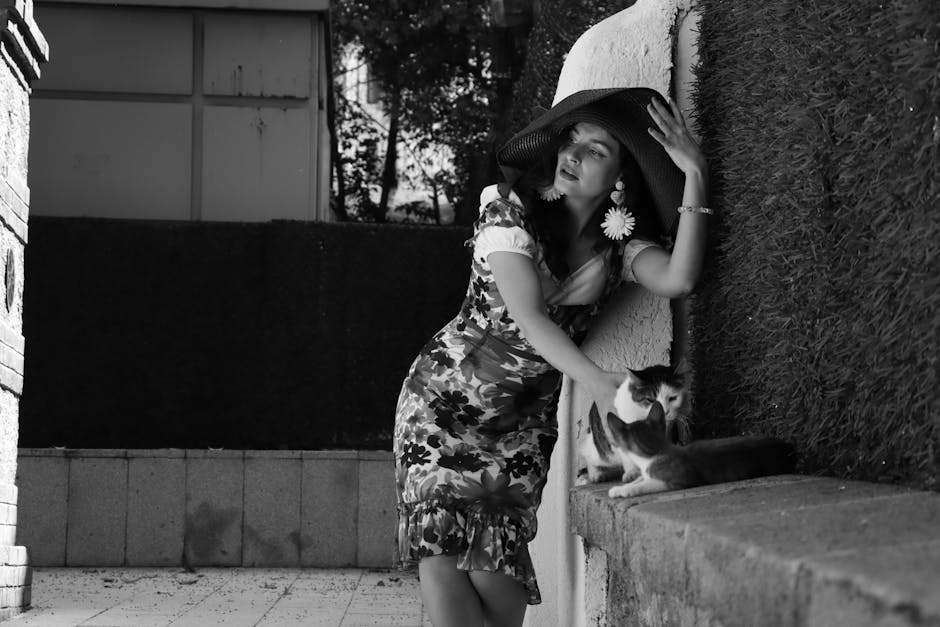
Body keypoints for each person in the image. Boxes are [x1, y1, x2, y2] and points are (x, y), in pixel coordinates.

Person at [393, 87, 709, 627]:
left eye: (596, 150)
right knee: (441, 554)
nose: (574, 154)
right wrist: (596, 380)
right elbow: (528, 315)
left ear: (620, 178)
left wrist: (696, 173)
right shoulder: (507, 210)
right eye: (572, 140)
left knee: (498, 582)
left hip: (522, 427)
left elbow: (680, 278)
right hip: (442, 407)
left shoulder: (619, 250)